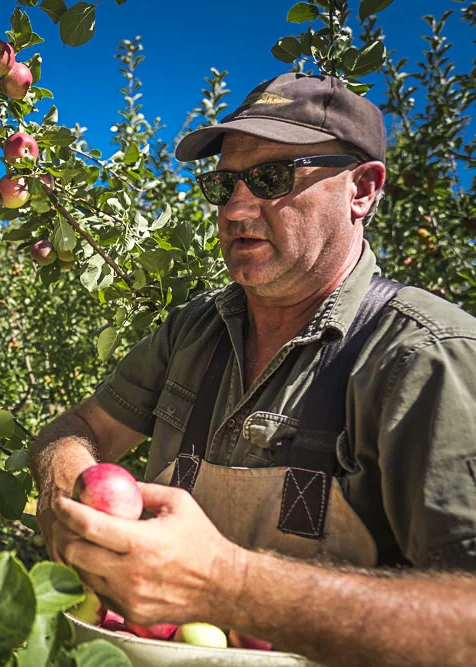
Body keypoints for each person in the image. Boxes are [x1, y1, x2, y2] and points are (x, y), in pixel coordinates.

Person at [31, 72, 476, 666]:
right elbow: (81, 425)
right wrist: (66, 488)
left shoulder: (422, 357)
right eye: (223, 184)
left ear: (362, 189)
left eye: (271, 177)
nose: (238, 207)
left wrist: (230, 586)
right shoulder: (194, 331)